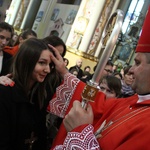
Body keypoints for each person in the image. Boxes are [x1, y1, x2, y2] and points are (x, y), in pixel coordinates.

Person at [47, 7, 150, 149]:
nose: (131, 70)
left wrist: (80, 133)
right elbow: (98, 105)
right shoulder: (135, 101)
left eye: (137, 62)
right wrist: (64, 73)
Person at [0, 38, 68, 150]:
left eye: (49, 64)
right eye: (42, 63)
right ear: (27, 61)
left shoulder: (39, 95)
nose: (47, 70)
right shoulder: (5, 92)